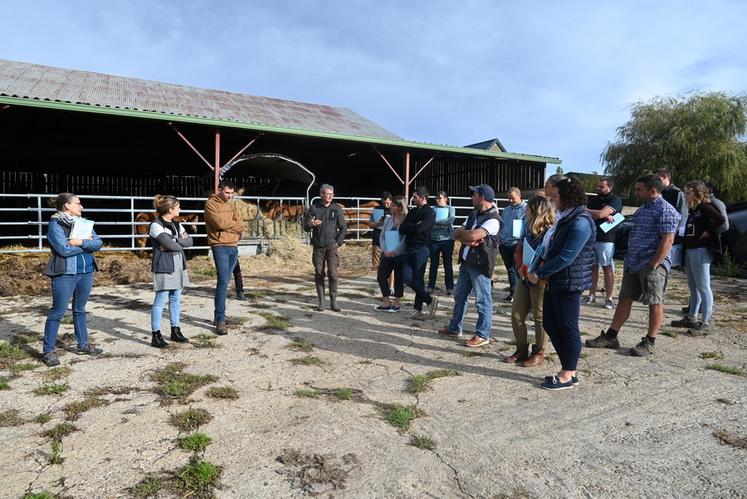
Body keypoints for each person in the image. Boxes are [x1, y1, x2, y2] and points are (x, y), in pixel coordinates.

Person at [586, 174, 680, 357]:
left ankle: (649, 341)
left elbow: (668, 240)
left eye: (639, 190)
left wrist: (654, 264)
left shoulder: (665, 210)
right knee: (625, 299)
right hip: (634, 262)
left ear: (653, 191)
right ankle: (611, 336)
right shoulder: (643, 208)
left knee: (654, 301)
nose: (635, 193)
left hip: (651, 264)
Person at [526, 177, 595, 389]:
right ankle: (568, 368)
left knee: (567, 326)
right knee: (550, 323)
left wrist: (541, 273)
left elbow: (567, 256)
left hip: (569, 281)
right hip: (557, 279)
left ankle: (568, 372)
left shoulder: (580, 221)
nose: (553, 201)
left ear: (567, 196)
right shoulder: (566, 218)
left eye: (556, 197)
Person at [41, 193, 103, 367]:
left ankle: (83, 344)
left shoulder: (83, 222)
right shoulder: (55, 224)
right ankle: (48, 350)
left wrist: (78, 242)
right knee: (58, 312)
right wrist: (86, 244)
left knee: (80, 309)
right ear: (67, 206)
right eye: (78, 203)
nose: (81, 207)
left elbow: (99, 243)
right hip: (65, 273)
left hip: (86, 271)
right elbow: (63, 250)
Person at [437, 184, 500, 347]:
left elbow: (472, 234)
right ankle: (455, 327)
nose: (471, 197)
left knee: (482, 300)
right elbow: (457, 232)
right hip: (467, 262)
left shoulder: (493, 219)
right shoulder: (474, 214)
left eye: (474, 195)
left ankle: (482, 335)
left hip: (480, 264)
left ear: (482, 198)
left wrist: (467, 236)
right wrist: (467, 239)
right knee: (460, 297)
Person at [505, 195, 555, 367]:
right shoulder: (527, 227)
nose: (525, 210)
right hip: (524, 275)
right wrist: (519, 265)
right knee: (516, 314)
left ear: (536, 210)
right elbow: (520, 247)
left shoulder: (550, 230)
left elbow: (551, 255)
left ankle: (539, 351)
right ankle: (521, 349)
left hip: (540, 278)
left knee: (539, 316)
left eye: (528, 208)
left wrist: (539, 273)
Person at [669, 181, 725, 334]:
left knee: (703, 286)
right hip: (690, 250)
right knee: (693, 287)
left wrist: (709, 231)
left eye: (688, 193)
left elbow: (721, 220)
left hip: (700, 251)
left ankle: (705, 322)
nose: (685, 196)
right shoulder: (693, 210)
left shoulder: (705, 207)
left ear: (696, 193)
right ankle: (691, 317)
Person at [148, 195, 193, 348]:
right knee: (160, 300)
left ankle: (175, 329)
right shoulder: (156, 225)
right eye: (178, 207)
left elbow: (190, 241)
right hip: (164, 266)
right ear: (170, 209)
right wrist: (175, 242)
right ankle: (156, 334)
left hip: (179, 265)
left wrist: (175, 241)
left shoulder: (176, 224)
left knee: (176, 298)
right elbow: (170, 245)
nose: (180, 209)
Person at [204, 180, 244, 335]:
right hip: (219, 245)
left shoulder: (231, 204)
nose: (230, 196)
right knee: (222, 281)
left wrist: (233, 225)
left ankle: (219, 315)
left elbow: (241, 223)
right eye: (227, 193)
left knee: (226, 281)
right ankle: (220, 320)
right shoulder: (210, 204)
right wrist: (233, 225)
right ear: (219, 190)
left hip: (233, 245)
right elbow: (219, 224)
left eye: (232, 193)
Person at [303, 183, 347, 312]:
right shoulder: (314, 208)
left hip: (332, 246)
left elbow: (343, 227)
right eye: (328, 194)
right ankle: (321, 302)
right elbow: (305, 227)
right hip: (318, 247)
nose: (330, 197)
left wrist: (338, 242)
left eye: (332, 194)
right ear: (321, 194)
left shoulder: (336, 208)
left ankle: (333, 301)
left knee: (333, 274)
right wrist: (311, 223)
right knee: (319, 273)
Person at [584, 177, 624, 309]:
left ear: (610, 187)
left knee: (607, 267)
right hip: (592, 237)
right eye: (598, 186)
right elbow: (586, 213)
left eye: (602, 186)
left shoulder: (615, 200)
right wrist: (598, 213)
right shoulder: (594, 200)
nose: (598, 188)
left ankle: (609, 297)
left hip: (606, 239)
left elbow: (600, 214)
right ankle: (591, 295)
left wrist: (598, 213)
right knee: (592, 267)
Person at [400, 186, 438, 319]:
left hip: (421, 248)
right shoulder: (413, 212)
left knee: (418, 278)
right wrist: (413, 226)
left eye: (415, 197)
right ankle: (428, 300)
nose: (412, 199)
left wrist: (412, 226)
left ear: (423, 198)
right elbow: (402, 228)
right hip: (409, 247)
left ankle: (418, 309)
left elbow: (421, 228)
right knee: (407, 277)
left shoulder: (430, 213)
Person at [375, 195, 408, 312]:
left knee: (399, 278)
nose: (390, 206)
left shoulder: (406, 219)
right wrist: (385, 250)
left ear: (399, 207)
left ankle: (397, 303)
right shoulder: (388, 219)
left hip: (400, 254)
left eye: (393, 205)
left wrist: (396, 251)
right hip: (387, 253)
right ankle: (386, 302)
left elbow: (405, 239)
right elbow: (382, 235)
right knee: (381, 276)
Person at [498, 187, 526, 302]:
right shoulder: (506, 210)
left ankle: (523, 294)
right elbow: (502, 225)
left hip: (517, 243)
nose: (510, 201)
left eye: (512, 198)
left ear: (519, 196)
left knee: (519, 269)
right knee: (510, 269)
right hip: (505, 244)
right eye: (508, 198)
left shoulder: (526, 209)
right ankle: (513, 292)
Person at [657, 169, 688, 267]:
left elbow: (682, 214)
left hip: (671, 232)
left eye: (657, 179)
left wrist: (675, 232)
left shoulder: (677, 193)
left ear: (665, 177)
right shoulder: (658, 192)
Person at [427, 190, 455, 295]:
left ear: (446, 199)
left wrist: (436, 222)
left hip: (447, 239)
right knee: (433, 264)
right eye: (437, 198)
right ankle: (431, 286)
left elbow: (450, 221)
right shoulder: (432, 209)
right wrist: (441, 224)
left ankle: (450, 287)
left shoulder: (451, 209)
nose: (438, 200)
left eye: (440, 198)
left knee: (448, 264)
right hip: (434, 239)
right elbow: (429, 222)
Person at [369, 191, 393, 271]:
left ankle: (391, 283)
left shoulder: (394, 210)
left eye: (388, 203)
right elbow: (370, 224)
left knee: (390, 263)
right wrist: (380, 223)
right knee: (377, 263)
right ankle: (379, 280)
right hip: (377, 238)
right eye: (384, 203)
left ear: (391, 200)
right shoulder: (377, 210)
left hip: (390, 239)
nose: (386, 205)